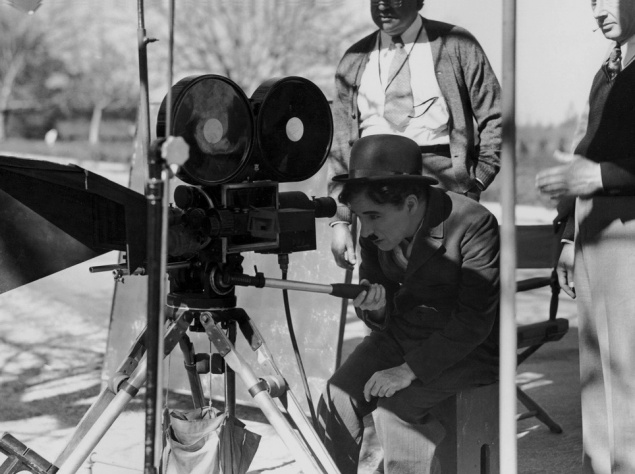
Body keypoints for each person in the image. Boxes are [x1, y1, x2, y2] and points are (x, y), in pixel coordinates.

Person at [317, 134, 499, 474]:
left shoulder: (473, 223)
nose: (365, 230)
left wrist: (407, 370)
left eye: (374, 216)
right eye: (360, 217)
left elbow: (474, 321)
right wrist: (376, 309)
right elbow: (377, 298)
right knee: (337, 396)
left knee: (395, 409)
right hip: (401, 337)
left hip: (466, 350)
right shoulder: (374, 230)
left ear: (411, 203)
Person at [328, 0, 502, 270]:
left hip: (445, 187)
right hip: (375, 196)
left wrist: (476, 179)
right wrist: (341, 220)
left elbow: (497, 117)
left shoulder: (457, 44)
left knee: (445, 284)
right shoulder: (354, 59)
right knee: (379, 287)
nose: (383, 6)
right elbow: (340, 146)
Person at [535, 1, 635, 472]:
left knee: (628, 367)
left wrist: (602, 177)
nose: (597, 12)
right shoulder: (609, 68)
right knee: (597, 366)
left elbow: (596, 168)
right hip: (593, 232)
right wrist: (569, 237)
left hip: (627, 234)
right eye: (591, 1)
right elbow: (588, 152)